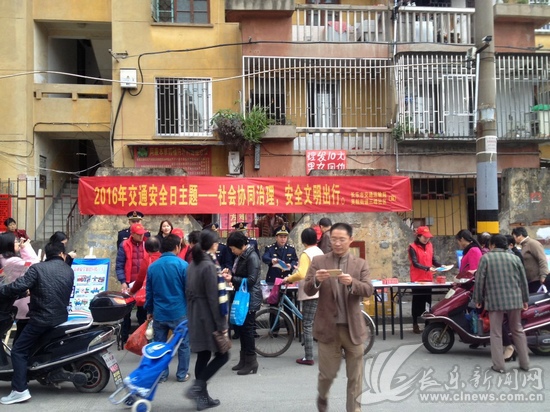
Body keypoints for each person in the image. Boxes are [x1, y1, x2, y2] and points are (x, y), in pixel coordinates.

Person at [303, 222, 373, 412]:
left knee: (355, 377)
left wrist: (352, 283)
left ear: (350, 240)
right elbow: (307, 289)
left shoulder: (360, 264)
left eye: (342, 239)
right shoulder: (319, 261)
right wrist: (316, 280)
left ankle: (354, 409)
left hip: (353, 329)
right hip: (328, 328)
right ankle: (322, 395)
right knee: (327, 375)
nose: (337, 243)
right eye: (334, 239)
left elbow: (368, 289)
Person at [0, 242, 74, 405]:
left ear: (47, 255)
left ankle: (19, 390)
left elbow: (19, 285)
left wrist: (2, 290)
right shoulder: (68, 269)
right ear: (62, 254)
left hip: (41, 318)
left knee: (18, 350)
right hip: (60, 317)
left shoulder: (38, 268)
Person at [185, 229, 229, 410]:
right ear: (213, 245)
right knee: (223, 355)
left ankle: (202, 397)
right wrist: (222, 324)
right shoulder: (208, 266)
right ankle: (198, 387)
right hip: (207, 317)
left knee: (203, 355)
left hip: (195, 313)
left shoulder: (193, 264)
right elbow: (214, 298)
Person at [473, 234, 530, 374]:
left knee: (496, 332)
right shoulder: (515, 258)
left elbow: (479, 280)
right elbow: (523, 281)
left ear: (492, 245)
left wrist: (478, 299)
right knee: (517, 329)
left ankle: (499, 366)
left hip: (495, 300)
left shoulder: (486, 258)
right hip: (515, 299)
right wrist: (525, 299)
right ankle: (525, 363)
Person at [145, 234, 191, 382]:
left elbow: (149, 292)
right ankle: (182, 374)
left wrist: (149, 310)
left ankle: (162, 375)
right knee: (183, 345)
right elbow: (189, 291)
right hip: (179, 312)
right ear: (177, 247)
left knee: (159, 345)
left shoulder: (153, 267)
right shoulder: (183, 265)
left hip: (159, 313)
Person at [223, 230, 262, 375]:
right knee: (242, 329)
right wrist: (231, 275)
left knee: (248, 330)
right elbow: (240, 275)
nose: (232, 251)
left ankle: (251, 361)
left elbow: (251, 280)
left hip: (249, 298)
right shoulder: (242, 256)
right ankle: (244, 360)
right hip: (242, 295)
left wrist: (232, 279)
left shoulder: (252, 257)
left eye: (233, 248)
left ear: (240, 245)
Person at [283, 227, 324, 366]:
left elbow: (301, 274)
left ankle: (308, 356)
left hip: (310, 291)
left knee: (307, 324)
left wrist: (289, 278)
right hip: (321, 289)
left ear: (303, 240)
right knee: (317, 322)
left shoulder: (306, 254)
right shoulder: (319, 251)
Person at [0, 233, 40, 343]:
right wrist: (26, 247)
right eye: (16, 241)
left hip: (16, 299)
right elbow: (34, 263)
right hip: (21, 299)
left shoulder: (6, 259)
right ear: (8, 244)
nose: (19, 243)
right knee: (23, 333)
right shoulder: (12, 261)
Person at [116, 222, 149, 345]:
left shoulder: (146, 244)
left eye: (142, 234)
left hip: (143, 283)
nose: (141, 236)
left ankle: (142, 339)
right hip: (129, 283)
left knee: (142, 312)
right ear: (132, 234)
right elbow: (119, 265)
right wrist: (123, 281)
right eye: (139, 234)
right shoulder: (124, 245)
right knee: (126, 313)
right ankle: (125, 338)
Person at [408, 226, 442, 334]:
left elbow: (433, 260)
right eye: (424, 237)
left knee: (428, 300)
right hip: (417, 279)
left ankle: (428, 323)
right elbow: (415, 263)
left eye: (428, 237)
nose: (426, 239)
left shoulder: (430, 246)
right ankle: (415, 323)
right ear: (418, 236)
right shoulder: (412, 247)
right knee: (417, 301)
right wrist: (427, 268)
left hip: (428, 279)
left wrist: (441, 266)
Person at [511, 227, 548, 293]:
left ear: (520, 236)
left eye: (514, 237)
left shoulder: (532, 244)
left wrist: (543, 276)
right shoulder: (524, 245)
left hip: (537, 280)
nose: (514, 240)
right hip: (530, 280)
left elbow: (542, 260)